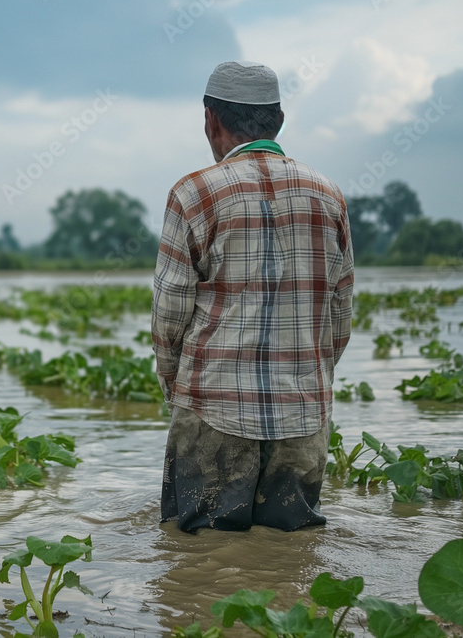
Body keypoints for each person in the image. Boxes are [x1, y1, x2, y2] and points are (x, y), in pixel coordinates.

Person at [151, 60, 354, 534]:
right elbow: (340, 316)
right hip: (303, 415)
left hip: (212, 410)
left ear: (211, 120)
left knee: (203, 552)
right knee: (291, 558)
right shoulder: (328, 195)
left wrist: (176, 387)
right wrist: (309, 379)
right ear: (278, 121)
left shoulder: (193, 194)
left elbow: (169, 317)